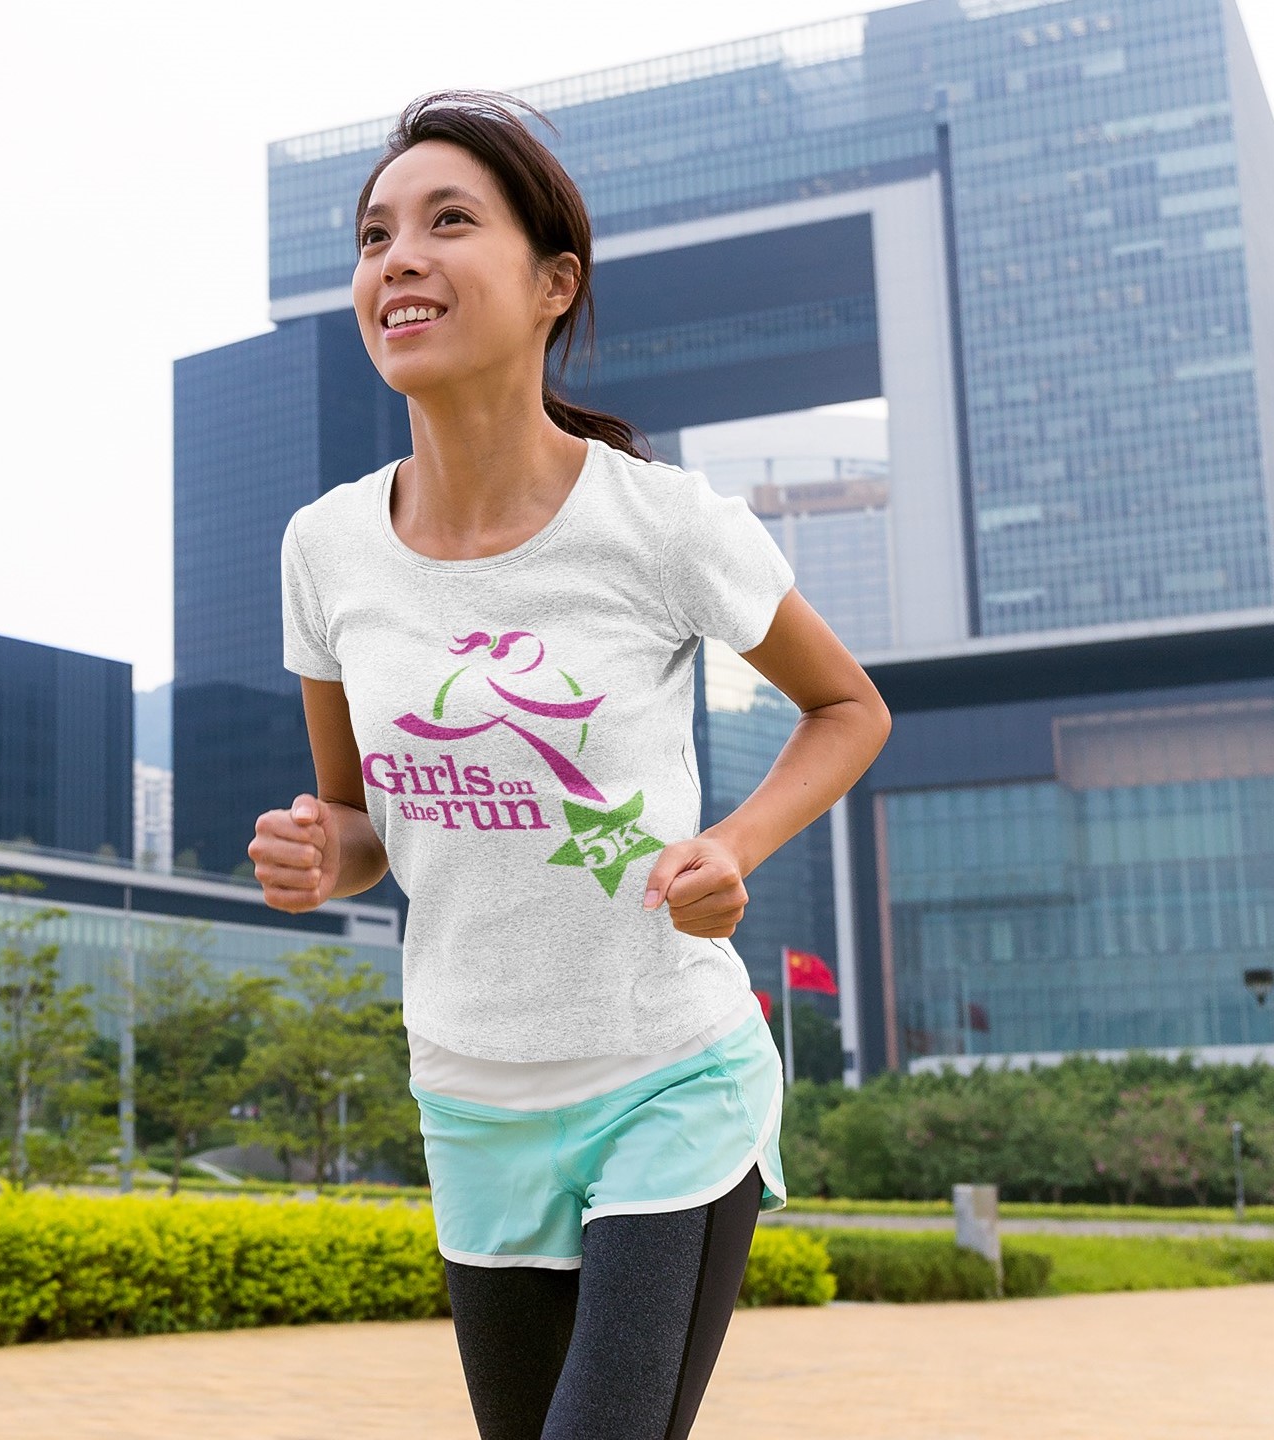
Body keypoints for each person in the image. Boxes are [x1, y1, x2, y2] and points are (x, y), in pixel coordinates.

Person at [249, 89, 892, 1440]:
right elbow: (364, 821)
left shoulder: (657, 525)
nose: (397, 259)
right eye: (374, 236)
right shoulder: (325, 551)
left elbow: (848, 710)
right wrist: (323, 853)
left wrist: (735, 847)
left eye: (446, 223)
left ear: (554, 285)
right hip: (471, 1093)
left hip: (668, 1072)